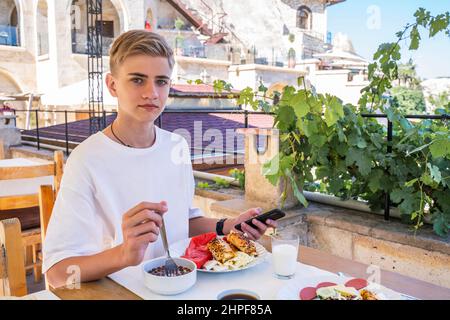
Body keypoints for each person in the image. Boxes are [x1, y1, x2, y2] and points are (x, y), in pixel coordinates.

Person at [43, 30, 278, 288]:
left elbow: (182, 223)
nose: (152, 93)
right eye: (137, 80)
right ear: (112, 85)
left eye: (161, 81)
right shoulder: (86, 159)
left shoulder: (176, 145)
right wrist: (123, 254)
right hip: (121, 292)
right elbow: (57, 274)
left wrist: (228, 226)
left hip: (181, 288)